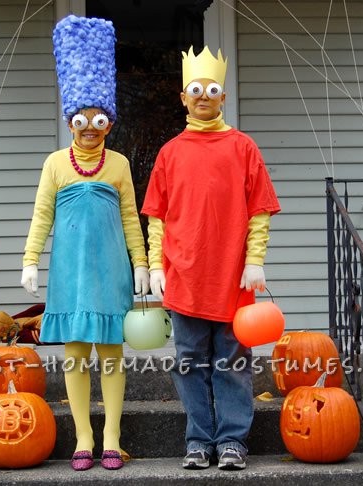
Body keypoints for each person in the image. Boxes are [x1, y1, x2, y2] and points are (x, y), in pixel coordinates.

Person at [141, 45, 281, 471]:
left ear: (224, 96)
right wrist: (156, 266)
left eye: (212, 89)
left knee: (233, 363)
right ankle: (199, 440)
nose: (203, 96)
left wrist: (254, 261)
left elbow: (258, 212)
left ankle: (233, 440)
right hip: (184, 277)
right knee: (189, 363)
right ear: (183, 97)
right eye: (195, 90)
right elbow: (157, 218)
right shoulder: (170, 153)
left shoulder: (244, 148)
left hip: (233, 279)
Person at [20, 15, 149, 472]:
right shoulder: (55, 163)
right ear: (71, 121)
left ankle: (112, 433)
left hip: (111, 270)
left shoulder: (117, 166)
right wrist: (31, 259)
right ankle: (83, 437)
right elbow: (42, 214)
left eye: (99, 119)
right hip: (70, 272)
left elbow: (132, 218)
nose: (90, 126)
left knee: (111, 355)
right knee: (75, 354)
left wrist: (141, 263)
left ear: (109, 122)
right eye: (82, 118)